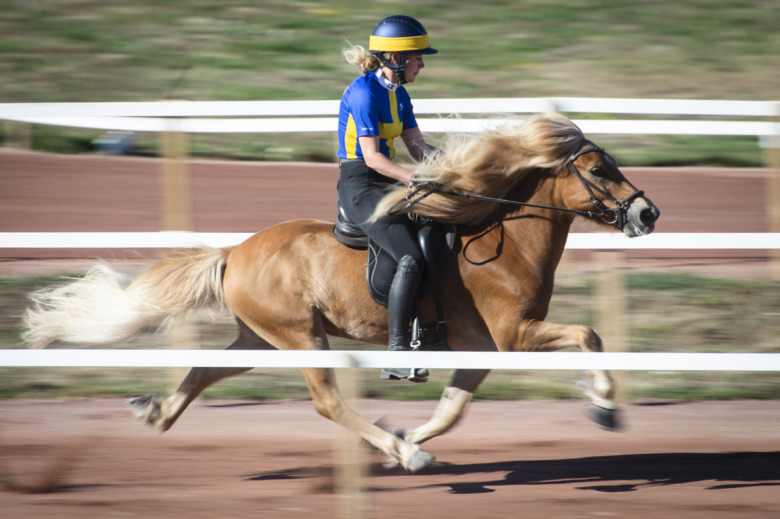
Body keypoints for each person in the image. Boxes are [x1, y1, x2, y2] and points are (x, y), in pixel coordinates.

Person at [337, 15, 439, 383]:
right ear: (395, 58)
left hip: (388, 180)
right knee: (409, 257)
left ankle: (433, 326)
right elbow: (373, 158)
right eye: (418, 58)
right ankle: (397, 352)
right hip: (361, 187)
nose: (423, 63)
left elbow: (416, 145)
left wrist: (453, 167)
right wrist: (417, 177)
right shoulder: (364, 93)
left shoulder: (400, 94)